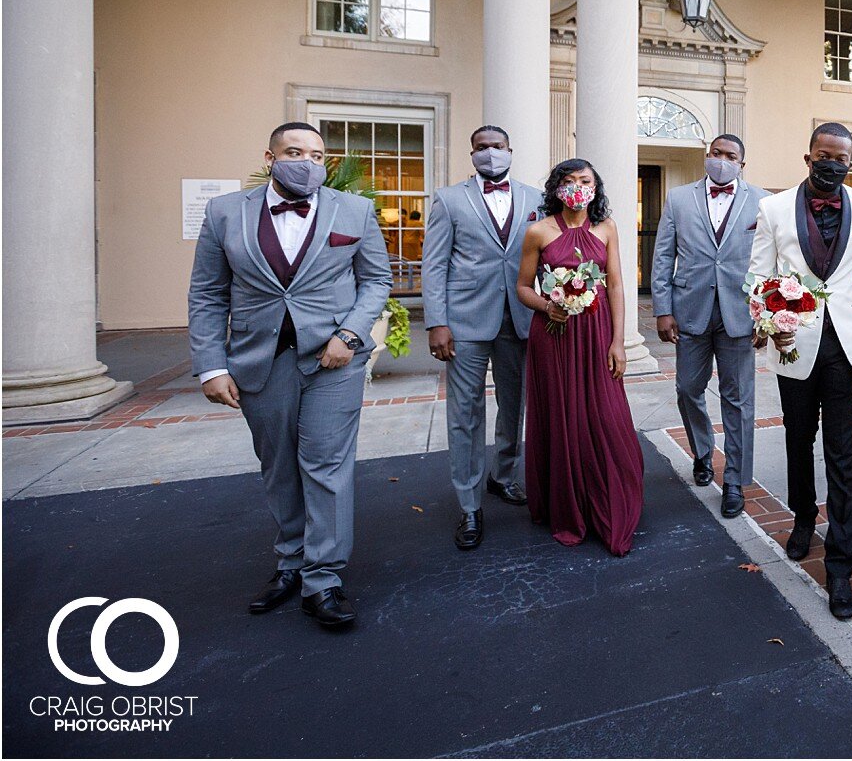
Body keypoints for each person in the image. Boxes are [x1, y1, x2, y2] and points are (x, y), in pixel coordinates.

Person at [188, 122, 392, 630]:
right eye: (296, 152)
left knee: (326, 466)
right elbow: (208, 293)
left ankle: (323, 579)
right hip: (260, 360)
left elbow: (376, 280)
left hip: (333, 360)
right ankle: (291, 563)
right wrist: (211, 365)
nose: (308, 162)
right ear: (271, 157)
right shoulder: (224, 213)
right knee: (278, 466)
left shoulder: (355, 211)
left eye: (318, 155)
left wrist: (349, 336)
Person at [748, 122, 852, 619]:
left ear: (850, 161)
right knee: (798, 439)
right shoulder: (773, 208)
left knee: (843, 456)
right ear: (808, 157)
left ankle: (840, 566)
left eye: (842, 158)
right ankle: (803, 519)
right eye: (825, 155)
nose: (833, 164)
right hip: (792, 344)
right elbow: (759, 276)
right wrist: (766, 324)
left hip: (847, 344)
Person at [516, 158, 644, 556]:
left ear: (595, 187)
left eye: (584, 180)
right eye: (569, 180)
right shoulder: (538, 231)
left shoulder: (606, 228)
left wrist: (618, 341)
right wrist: (545, 305)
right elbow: (522, 286)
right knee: (562, 417)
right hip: (554, 335)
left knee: (607, 416)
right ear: (556, 187)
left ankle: (611, 503)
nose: (577, 187)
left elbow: (618, 285)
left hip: (597, 332)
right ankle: (569, 507)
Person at [421, 125, 540, 552]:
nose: (490, 154)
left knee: (515, 405)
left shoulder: (535, 198)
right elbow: (434, 264)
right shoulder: (449, 199)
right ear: (471, 154)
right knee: (465, 413)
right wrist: (437, 321)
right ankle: (469, 504)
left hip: (520, 319)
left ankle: (503, 475)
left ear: (511, 150)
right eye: (482, 148)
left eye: (498, 147)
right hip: (466, 322)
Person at [651, 134, 764, 518]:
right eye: (716, 153)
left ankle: (734, 479)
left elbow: (770, 261)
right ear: (707, 157)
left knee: (738, 399)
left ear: (742, 164)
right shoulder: (679, 199)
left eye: (730, 155)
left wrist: (766, 314)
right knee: (687, 388)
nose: (721, 160)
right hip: (690, 309)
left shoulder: (763, 201)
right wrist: (662, 309)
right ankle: (702, 451)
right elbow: (664, 254)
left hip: (740, 313)